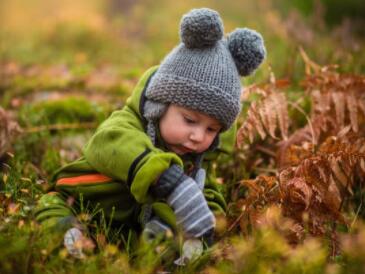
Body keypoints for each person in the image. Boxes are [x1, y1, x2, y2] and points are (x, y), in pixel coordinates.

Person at [34, 8, 266, 260]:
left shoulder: (195, 159)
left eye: (212, 129)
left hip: (125, 228)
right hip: (79, 199)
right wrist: (167, 178)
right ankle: (67, 235)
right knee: (54, 208)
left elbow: (208, 192)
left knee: (173, 231)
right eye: (189, 120)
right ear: (159, 106)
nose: (199, 136)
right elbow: (110, 143)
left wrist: (207, 222)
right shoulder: (126, 125)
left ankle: (162, 247)